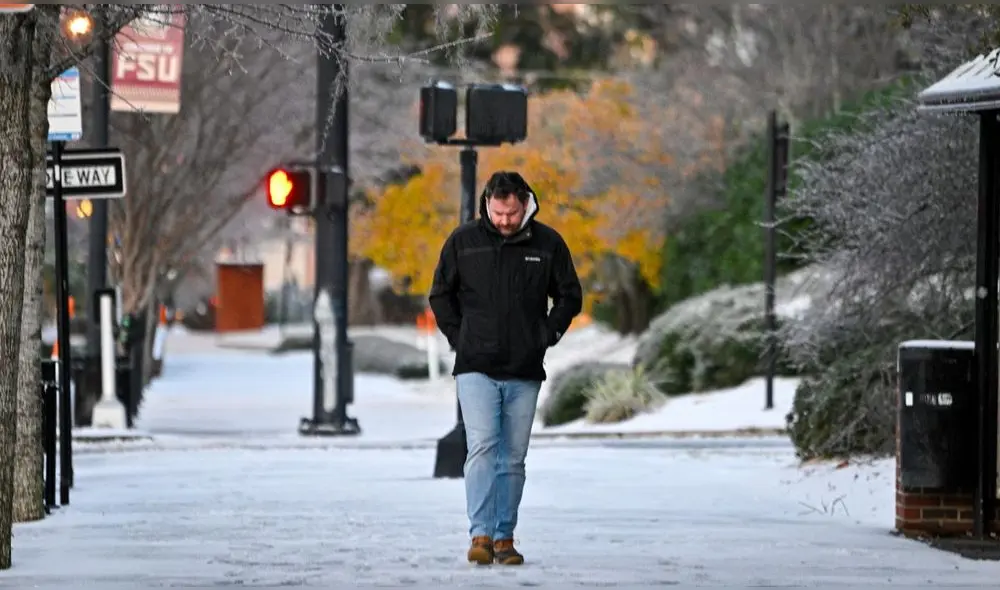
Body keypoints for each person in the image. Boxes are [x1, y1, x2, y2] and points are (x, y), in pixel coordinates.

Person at [428, 171, 583, 566]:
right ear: (487, 204)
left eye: (511, 213)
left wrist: (547, 334)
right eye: (497, 213)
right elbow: (440, 294)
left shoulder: (547, 244)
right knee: (481, 448)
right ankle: (480, 534)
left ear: (525, 203)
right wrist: (459, 338)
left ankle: (504, 537)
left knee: (512, 458)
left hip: (524, 368)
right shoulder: (463, 242)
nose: (504, 221)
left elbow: (569, 295)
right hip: (475, 365)